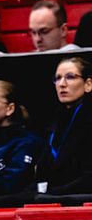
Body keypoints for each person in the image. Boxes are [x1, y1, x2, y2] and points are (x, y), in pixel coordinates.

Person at [41, 57, 92, 194]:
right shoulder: (56, 121)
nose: (62, 84)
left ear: (88, 84)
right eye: (57, 78)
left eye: (70, 77)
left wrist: (51, 194)